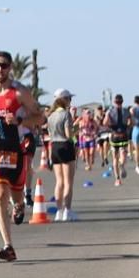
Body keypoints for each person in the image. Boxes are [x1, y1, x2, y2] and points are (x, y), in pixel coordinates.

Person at [0, 51, 44, 262]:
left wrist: (19, 122)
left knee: (16, 197)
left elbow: (40, 117)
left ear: (10, 68)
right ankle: (8, 245)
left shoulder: (19, 93)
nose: (0, 70)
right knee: (0, 196)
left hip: (16, 152)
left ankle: (19, 206)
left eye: (4, 66)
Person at [48, 89, 78, 221]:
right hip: (65, 145)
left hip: (54, 146)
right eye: (69, 99)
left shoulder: (51, 115)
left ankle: (59, 210)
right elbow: (68, 134)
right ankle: (67, 210)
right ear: (64, 100)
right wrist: (76, 129)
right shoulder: (66, 114)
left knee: (59, 181)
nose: (70, 102)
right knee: (68, 182)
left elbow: (49, 134)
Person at [103, 94, 130, 185]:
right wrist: (127, 126)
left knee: (115, 158)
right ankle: (122, 164)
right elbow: (132, 122)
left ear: (114, 102)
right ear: (122, 101)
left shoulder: (110, 111)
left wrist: (111, 127)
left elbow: (105, 123)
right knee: (123, 153)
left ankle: (117, 179)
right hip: (123, 135)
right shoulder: (126, 111)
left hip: (114, 135)